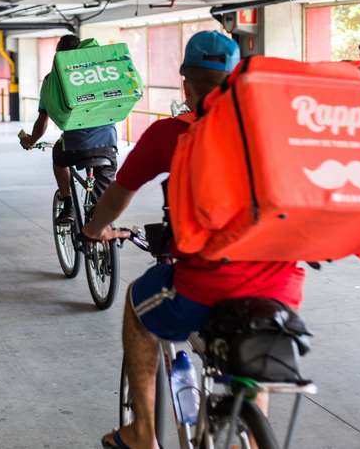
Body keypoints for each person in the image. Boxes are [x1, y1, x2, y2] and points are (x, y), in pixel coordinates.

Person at [82, 31, 306, 449]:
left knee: (135, 304)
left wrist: (94, 230)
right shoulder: (278, 126)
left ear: (186, 83)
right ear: (237, 79)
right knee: (250, 359)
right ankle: (251, 435)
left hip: (205, 286)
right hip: (282, 288)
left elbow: (119, 193)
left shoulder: (171, 133)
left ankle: (142, 432)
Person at [19, 35, 118, 224]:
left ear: (59, 56)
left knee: (58, 156)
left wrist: (31, 140)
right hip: (108, 144)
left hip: (75, 145)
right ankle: (102, 232)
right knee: (102, 202)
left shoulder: (52, 80)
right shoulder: (100, 72)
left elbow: (43, 120)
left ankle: (68, 204)